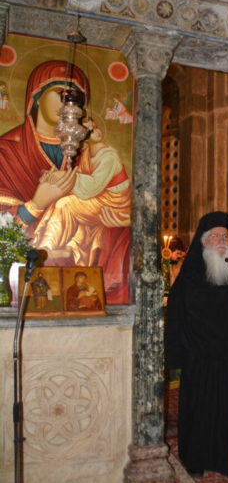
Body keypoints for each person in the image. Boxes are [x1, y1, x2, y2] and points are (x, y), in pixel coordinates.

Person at [0, 60, 131, 304]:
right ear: (36, 96)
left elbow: (118, 205)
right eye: (61, 93)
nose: (68, 104)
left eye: (76, 99)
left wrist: (112, 215)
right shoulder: (6, 152)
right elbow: (3, 228)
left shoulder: (90, 152)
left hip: (83, 259)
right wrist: (36, 204)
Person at [165, 211, 228, 477]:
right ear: (203, 240)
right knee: (203, 412)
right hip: (202, 358)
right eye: (215, 236)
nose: (222, 240)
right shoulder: (192, 271)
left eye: (226, 236)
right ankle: (198, 459)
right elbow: (191, 305)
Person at [33, 118, 131, 270]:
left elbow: (91, 186)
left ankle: (46, 248)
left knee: (66, 205)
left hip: (114, 203)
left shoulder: (109, 156)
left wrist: (62, 177)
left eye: (96, 127)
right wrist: (52, 179)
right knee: (61, 202)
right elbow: (76, 182)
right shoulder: (85, 154)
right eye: (90, 131)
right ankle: (68, 247)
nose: (96, 132)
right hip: (99, 199)